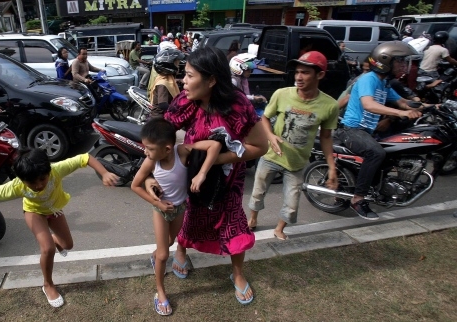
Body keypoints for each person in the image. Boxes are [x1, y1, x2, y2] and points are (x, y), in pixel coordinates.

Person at [145, 46, 269, 305]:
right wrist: (148, 175)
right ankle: (180, 250)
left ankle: (237, 274)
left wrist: (217, 161)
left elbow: (260, 147)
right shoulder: (186, 101)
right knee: (188, 217)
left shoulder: (237, 105)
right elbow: (159, 138)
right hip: (191, 177)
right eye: (184, 75)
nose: (183, 82)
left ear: (212, 80)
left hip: (227, 182)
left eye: (190, 76)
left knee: (233, 224)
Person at [0, 148, 119, 308]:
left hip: (54, 210)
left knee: (67, 245)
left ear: (49, 170)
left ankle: (54, 240)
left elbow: (84, 157)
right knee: (48, 249)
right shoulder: (16, 186)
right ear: (22, 180)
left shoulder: (56, 170)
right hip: (34, 213)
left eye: (42, 179)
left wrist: (104, 173)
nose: (38, 185)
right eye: (31, 182)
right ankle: (48, 285)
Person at [131, 118, 222, 316]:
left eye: (149, 148)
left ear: (167, 148)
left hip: (180, 208)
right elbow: (135, 185)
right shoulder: (151, 161)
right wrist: (157, 203)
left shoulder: (181, 151)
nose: (145, 151)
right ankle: (161, 293)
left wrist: (202, 174)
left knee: (171, 242)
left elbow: (214, 146)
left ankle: (156, 256)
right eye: (145, 147)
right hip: (161, 210)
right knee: (165, 254)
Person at [247, 51, 339, 238]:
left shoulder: (329, 105)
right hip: (272, 155)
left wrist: (332, 168)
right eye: (297, 72)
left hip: (297, 163)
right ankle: (253, 219)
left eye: (305, 73)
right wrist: (271, 136)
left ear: (319, 75)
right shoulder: (282, 94)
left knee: (292, 201)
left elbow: (326, 138)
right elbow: (264, 118)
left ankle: (279, 228)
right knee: (258, 192)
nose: (298, 77)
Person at [337, 41, 422, 220]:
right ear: (385, 61)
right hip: (352, 129)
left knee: (395, 150)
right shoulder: (369, 79)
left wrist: (434, 106)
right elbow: (369, 105)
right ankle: (358, 199)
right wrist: (401, 113)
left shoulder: (385, 84)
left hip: (368, 131)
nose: (403, 65)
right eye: (399, 61)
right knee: (376, 153)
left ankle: (378, 188)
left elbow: (402, 102)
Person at [148, 48, 184, 118]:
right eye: (176, 63)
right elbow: (163, 104)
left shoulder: (166, 78)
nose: (178, 66)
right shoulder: (163, 84)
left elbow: (171, 82)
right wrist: (177, 110)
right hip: (160, 118)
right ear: (168, 65)